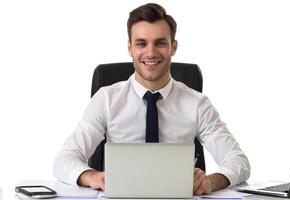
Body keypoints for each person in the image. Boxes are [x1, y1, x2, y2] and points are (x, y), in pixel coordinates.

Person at [53, 3, 250, 195]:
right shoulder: (106, 99)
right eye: (141, 43)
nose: (150, 53)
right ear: (130, 48)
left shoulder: (197, 104)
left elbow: (238, 162)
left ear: (173, 47)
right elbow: (64, 160)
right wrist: (92, 176)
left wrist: (210, 181)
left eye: (160, 43)